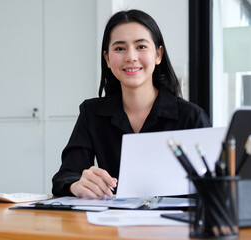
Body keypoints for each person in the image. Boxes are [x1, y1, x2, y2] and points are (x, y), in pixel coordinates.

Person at [52, 9, 211, 199]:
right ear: (107, 59)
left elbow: (212, 188)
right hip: (111, 224)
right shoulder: (91, 113)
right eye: (120, 48)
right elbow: (65, 176)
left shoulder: (191, 117)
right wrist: (76, 185)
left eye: (141, 46)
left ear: (158, 55)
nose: (131, 57)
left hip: (173, 225)